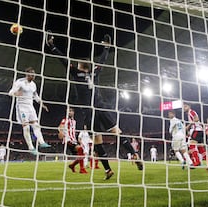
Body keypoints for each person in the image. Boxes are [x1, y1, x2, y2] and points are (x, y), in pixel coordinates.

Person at [47, 32, 142, 180]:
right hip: (101, 107)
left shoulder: (75, 72)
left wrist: (52, 46)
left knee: (98, 142)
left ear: (79, 66)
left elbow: (63, 60)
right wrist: (106, 48)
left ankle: (108, 170)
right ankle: (134, 154)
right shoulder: (95, 73)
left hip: (89, 113)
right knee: (117, 132)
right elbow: (103, 61)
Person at [8, 67, 51, 155]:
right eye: (31, 74)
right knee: (26, 127)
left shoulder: (33, 85)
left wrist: (42, 105)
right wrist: (16, 93)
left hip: (30, 107)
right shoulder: (20, 82)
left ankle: (41, 142)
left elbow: (36, 96)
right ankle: (31, 147)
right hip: (22, 107)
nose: (33, 75)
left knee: (36, 125)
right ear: (27, 74)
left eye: (34, 74)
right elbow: (10, 92)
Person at [183, 103, 208, 168]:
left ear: (189, 106)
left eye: (185, 106)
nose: (184, 108)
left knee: (191, 145)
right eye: (183, 107)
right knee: (200, 149)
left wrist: (188, 125)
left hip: (197, 130)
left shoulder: (191, 112)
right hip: (199, 131)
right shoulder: (189, 113)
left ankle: (197, 161)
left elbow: (196, 119)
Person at [58, 108, 87, 174]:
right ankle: (82, 169)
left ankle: (72, 165)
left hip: (74, 140)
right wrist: (61, 132)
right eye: (68, 111)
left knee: (82, 155)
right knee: (80, 149)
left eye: (71, 111)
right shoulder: (64, 120)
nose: (69, 112)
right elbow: (60, 126)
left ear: (73, 112)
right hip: (68, 140)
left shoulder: (74, 121)